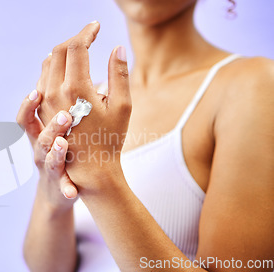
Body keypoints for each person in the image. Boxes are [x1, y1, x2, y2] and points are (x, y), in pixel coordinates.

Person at [18, 0, 274, 271]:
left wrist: (100, 175)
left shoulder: (254, 86)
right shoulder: (86, 107)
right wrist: (51, 191)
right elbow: (46, 267)